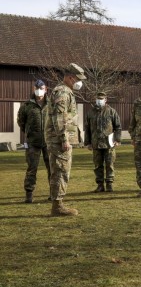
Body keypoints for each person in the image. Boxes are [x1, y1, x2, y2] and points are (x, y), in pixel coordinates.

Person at [44, 63, 86, 216]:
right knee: (60, 171)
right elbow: (59, 117)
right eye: (78, 79)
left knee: (61, 170)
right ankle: (57, 206)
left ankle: (58, 203)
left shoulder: (65, 91)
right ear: (70, 77)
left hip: (59, 139)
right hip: (59, 140)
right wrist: (64, 139)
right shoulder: (62, 92)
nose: (80, 83)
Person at [17, 79, 51, 203]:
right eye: (36, 88)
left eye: (41, 88)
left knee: (52, 168)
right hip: (33, 142)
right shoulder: (26, 106)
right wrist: (29, 133)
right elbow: (21, 122)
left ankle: (53, 193)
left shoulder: (51, 104)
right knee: (32, 168)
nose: (38, 90)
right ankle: (29, 194)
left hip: (49, 142)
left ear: (46, 89)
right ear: (33, 89)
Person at [84, 91, 122, 193]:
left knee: (109, 164)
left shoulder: (111, 111)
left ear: (105, 100)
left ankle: (109, 184)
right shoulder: (90, 112)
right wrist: (87, 143)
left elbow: (118, 127)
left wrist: (117, 140)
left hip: (109, 143)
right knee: (97, 165)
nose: (99, 101)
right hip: (96, 143)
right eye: (98, 99)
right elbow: (87, 128)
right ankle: (100, 185)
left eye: (101, 99)